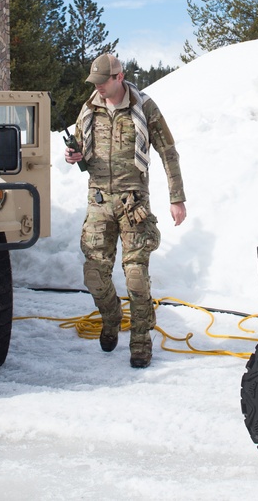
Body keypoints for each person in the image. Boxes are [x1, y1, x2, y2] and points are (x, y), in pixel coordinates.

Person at [64, 53, 187, 368]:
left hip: (134, 202)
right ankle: (111, 316)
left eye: (103, 82)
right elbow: (81, 150)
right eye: (95, 83)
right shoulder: (90, 108)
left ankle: (141, 341)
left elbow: (168, 152)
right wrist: (75, 155)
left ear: (118, 77)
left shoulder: (144, 108)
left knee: (135, 276)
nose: (99, 88)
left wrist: (177, 197)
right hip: (99, 200)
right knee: (94, 274)